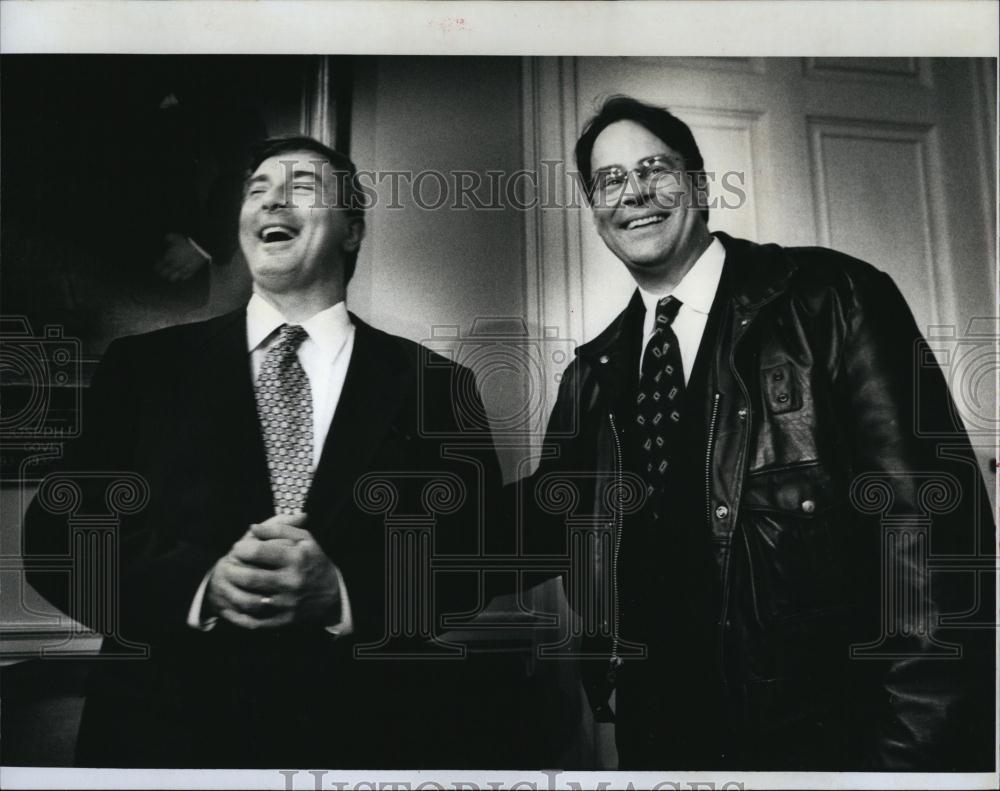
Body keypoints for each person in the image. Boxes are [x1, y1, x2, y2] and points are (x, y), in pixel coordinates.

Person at [517, 96, 995, 770]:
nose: (636, 193)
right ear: (596, 213)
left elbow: (937, 542)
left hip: (823, 745)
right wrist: (354, 575)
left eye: (656, 168)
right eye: (611, 180)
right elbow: (538, 523)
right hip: (658, 744)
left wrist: (914, 759)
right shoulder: (590, 377)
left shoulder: (835, 299)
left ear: (702, 186)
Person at [24, 136, 504, 768]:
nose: (272, 199)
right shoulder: (142, 370)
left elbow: (476, 555)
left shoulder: (439, 386)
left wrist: (344, 591)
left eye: (301, 187)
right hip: (163, 743)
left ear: (352, 230)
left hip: (367, 740)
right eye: (257, 190)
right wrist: (202, 586)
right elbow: (58, 537)